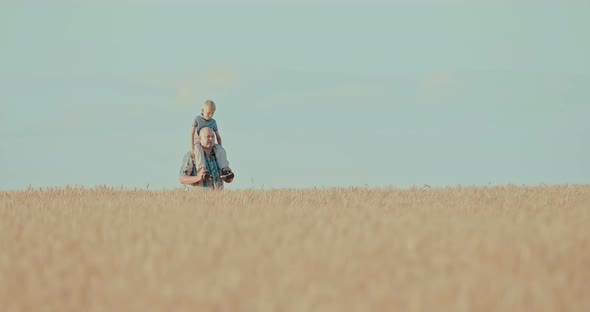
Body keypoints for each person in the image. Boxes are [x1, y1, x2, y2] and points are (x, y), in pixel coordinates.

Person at [190, 100, 233, 177]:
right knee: (198, 150)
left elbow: (218, 136)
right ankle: (202, 169)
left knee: (221, 150)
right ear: (202, 111)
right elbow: (192, 133)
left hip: (210, 142)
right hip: (198, 142)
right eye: (208, 113)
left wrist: (220, 147)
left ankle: (224, 169)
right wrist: (192, 148)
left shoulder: (213, 122)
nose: (210, 115)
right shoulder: (197, 119)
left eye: (212, 113)